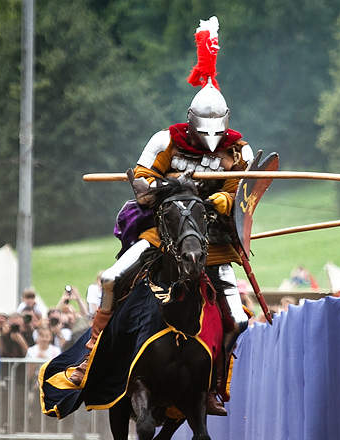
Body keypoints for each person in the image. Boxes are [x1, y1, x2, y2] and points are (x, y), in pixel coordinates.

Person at [67, 16, 257, 417]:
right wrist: (166, 189)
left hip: (212, 244)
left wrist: (221, 201)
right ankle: (89, 362)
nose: (209, 137)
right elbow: (140, 179)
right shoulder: (165, 141)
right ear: (190, 120)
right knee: (110, 279)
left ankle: (211, 387)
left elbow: (239, 196)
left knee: (237, 319)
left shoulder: (241, 153)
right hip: (163, 232)